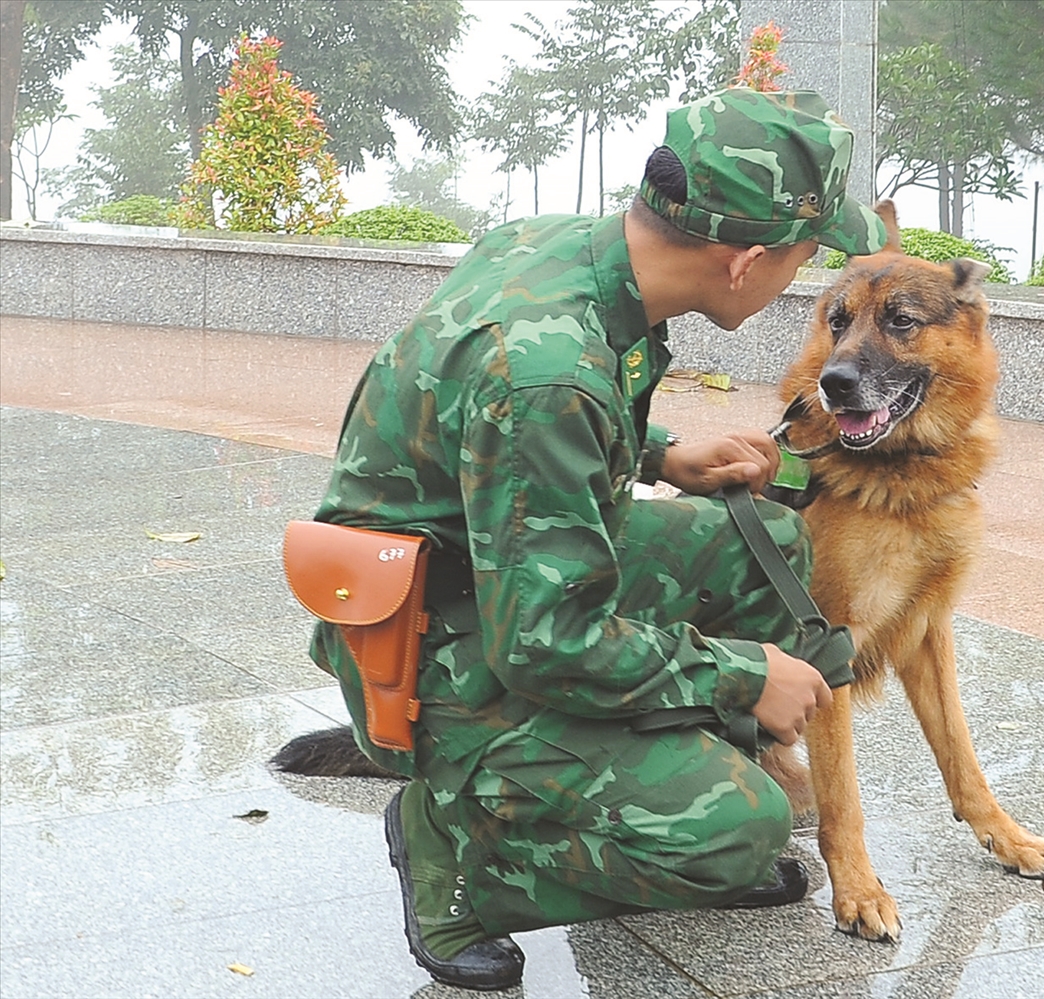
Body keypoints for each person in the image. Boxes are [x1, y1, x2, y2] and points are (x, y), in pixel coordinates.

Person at [308, 87, 886, 992]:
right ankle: (454, 854)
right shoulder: (549, 377)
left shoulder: (560, 247)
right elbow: (544, 639)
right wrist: (743, 674)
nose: (800, 288)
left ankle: (656, 781)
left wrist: (663, 453)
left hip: (489, 564)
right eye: (805, 261)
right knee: (741, 830)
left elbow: (501, 429)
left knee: (767, 542)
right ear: (744, 260)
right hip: (431, 645)